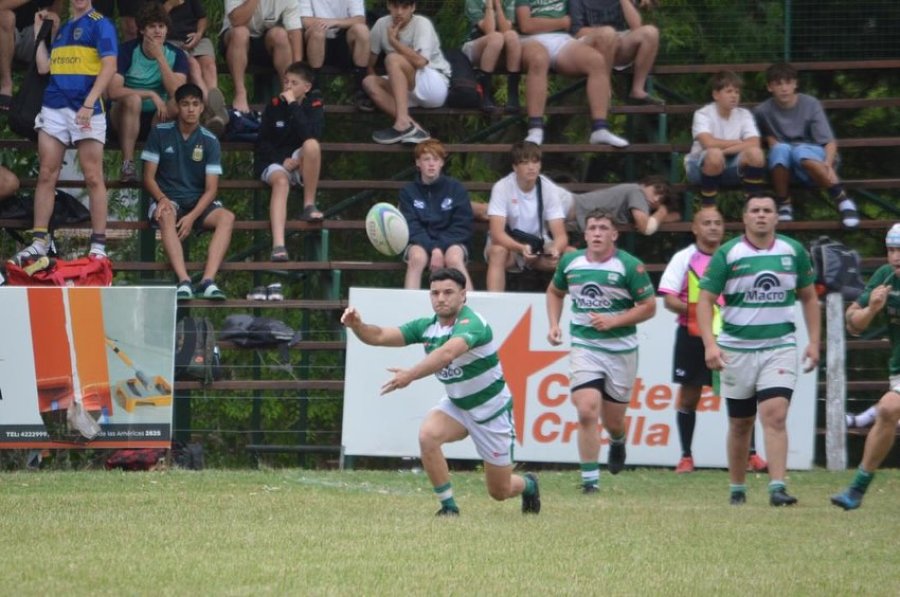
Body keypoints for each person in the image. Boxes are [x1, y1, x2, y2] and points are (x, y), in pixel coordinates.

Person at [341, 267, 542, 516]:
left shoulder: (473, 323)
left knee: (499, 491)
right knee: (427, 436)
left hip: (491, 411)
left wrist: (410, 375)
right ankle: (448, 507)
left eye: (448, 292)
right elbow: (381, 335)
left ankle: (529, 485)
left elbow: (447, 353)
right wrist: (358, 326)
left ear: (463, 295)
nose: (441, 298)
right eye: (435, 293)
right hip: (457, 405)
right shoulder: (427, 327)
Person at [697, 194, 821, 506]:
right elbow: (704, 300)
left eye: (767, 211)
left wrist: (815, 341)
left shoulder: (793, 251)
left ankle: (777, 486)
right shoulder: (728, 253)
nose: (761, 216)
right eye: (755, 211)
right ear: (745, 218)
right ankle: (737, 487)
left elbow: (808, 297)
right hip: (736, 349)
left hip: (779, 345)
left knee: (775, 415)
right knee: (741, 423)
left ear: (777, 217)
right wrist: (710, 345)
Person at [546, 209, 656, 492]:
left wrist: (614, 321)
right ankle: (589, 481)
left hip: (621, 350)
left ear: (614, 234)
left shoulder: (630, 266)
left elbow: (649, 307)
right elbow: (555, 292)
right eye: (592, 228)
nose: (597, 233)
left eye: (603, 228)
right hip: (585, 346)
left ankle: (617, 440)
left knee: (613, 420)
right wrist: (553, 324)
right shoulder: (571, 261)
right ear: (584, 234)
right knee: (586, 410)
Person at [657, 206, 768, 474]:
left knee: (741, 394)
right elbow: (669, 299)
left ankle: (752, 455)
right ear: (695, 228)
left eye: (718, 222)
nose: (713, 227)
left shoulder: (735, 255)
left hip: (732, 336)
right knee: (689, 396)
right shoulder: (684, 258)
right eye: (706, 222)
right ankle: (686, 457)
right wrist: (700, 312)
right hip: (692, 336)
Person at [9, 0, 117, 266]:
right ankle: (39, 241)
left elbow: (110, 66)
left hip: (86, 107)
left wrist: (90, 102)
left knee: (93, 176)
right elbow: (45, 67)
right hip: (55, 106)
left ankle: (99, 245)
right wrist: (38, 34)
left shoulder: (100, 24)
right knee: (47, 173)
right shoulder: (66, 27)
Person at [141, 83, 233, 300]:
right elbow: (148, 178)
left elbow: (211, 190)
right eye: (185, 104)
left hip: (198, 203)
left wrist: (192, 217)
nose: (190, 109)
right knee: (165, 213)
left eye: (195, 104)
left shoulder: (210, 140)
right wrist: (162, 199)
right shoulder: (159, 133)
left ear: (202, 108)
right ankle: (184, 281)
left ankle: (208, 281)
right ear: (178, 108)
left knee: (227, 218)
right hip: (168, 199)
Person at [830, 224, 900, 510]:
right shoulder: (885, 277)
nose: (896, 257)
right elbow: (853, 323)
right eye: (892, 250)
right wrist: (872, 309)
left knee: (887, 408)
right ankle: (857, 490)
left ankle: (857, 489)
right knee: (888, 411)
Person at [753, 62, 860, 228]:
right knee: (780, 149)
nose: (784, 88)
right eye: (778, 83)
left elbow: (829, 142)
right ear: (769, 87)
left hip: (814, 159)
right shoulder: (762, 111)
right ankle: (784, 203)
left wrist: (828, 164)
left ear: (795, 84)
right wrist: (769, 139)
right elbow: (758, 138)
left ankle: (842, 199)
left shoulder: (811, 104)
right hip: (788, 167)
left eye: (788, 82)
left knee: (800, 151)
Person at [515, 0, 628, 147]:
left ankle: (600, 128)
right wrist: (561, 22)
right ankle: (535, 128)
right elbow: (526, 25)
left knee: (596, 61)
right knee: (539, 59)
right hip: (531, 39)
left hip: (562, 40)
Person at [108, 3, 190, 182]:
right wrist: (150, 94)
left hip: (157, 118)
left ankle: (158, 165)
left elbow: (178, 92)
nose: (157, 31)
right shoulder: (127, 51)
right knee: (133, 100)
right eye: (152, 26)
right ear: (142, 30)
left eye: (161, 26)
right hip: (123, 117)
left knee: (178, 103)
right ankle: (128, 165)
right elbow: (113, 91)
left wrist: (160, 57)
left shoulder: (176, 54)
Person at [254, 60, 323, 262]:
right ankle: (279, 246)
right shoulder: (274, 106)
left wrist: (293, 105)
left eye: (293, 83)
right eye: (286, 82)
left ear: (306, 87)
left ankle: (309, 204)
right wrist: (281, 160)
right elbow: (262, 143)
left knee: (312, 145)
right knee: (281, 182)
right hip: (274, 161)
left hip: (301, 160)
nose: (288, 87)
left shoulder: (314, 105)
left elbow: (312, 135)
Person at [363, 0, 450, 145]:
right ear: (388, 6)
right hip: (404, 90)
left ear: (413, 7)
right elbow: (369, 62)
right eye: (395, 6)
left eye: (404, 7)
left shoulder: (422, 23)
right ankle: (413, 128)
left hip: (432, 83)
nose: (399, 12)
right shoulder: (381, 24)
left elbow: (421, 62)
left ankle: (402, 124)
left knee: (393, 59)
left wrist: (394, 41)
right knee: (369, 82)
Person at [485, 141, 568, 292]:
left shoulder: (549, 189)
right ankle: (494, 306)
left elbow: (561, 235)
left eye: (535, 162)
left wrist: (555, 249)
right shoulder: (502, 187)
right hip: (510, 246)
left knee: (571, 255)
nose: (531, 167)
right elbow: (497, 234)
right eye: (525, 162)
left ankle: (569, 307)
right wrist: (520, 248)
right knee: (497, 252)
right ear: (515, 167)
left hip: (538, 244)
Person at [398, 139, 474, 290]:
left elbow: (461, 226)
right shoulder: (408, 192)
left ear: (442, 163)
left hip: (452, 242)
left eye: (436, 159)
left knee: (453, 258)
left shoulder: (456, 188)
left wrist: (439, 247)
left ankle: (471, 308)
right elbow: (411, 227)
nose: (431, 164)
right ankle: (409, 309)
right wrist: (434, 248)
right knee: (417, 258)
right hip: (419, 242)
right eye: (426, 159)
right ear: (418, 163)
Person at [685, 71, 765, 206]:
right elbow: (708, 143)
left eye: (737, 92)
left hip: (731, 165)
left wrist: (724, 152)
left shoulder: (744, 114)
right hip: (700, 168)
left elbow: (754, 143)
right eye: (729, 91)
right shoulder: (702, 114)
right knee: (714, 155)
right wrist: (737, 143)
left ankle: (753, 204)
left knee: (756, 154)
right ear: (716, 94)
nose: (734, 96)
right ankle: (708, 207)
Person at [570, 0, 662, 105]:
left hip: (619, 42)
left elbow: (636, 26)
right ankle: (604, 90)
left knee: (651, 32)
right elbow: (577, 32)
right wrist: (607, 35)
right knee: (608, 35)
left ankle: (637, 89)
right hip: (592, 45)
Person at [220, 0, 303, 114]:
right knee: (240, 32)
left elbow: (294, 31)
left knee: (281, 34)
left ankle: (287, 93)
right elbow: (236, 20)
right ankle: (240, 93)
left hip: (266, 42)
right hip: (234, 41)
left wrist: (299, 73)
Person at [160, 0, 229, 136]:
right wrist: (169, 5)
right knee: (193, 66)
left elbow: (202, 18)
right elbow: (154, 22)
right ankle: (213, 111)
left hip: (196, 39)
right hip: (170, 40)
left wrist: (199, 34)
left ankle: (213, 108)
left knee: (208, 64)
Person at [299, 0, 369, 99]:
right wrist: (325, 23)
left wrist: (335, 22)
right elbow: (306, 21)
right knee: (318, 31)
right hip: (315, 44)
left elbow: (360, 19)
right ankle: (313, 88)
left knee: (362, 30)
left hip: (343, 42)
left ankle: (361, 87)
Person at [0, 0, 63, 110]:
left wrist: (52, 14)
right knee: (6, 16)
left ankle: (41, 85)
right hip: (5, 35)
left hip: (30, 35)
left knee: (52, 19)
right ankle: (6, 83)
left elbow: (55, 8)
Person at [564, 176, 678, 236]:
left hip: (566, 213)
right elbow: (646, 228)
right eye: (656, 191)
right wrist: (662, 210)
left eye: (661, 200)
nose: (656, 199)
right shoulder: (637, 191)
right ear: (645, 184)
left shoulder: (638, 199)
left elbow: (676, 217)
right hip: (566, 205)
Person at [461, 0, 521, 113]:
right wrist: (489, 4)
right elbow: (489, 30)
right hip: (475, 46)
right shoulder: (472, 2)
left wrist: (498, 5)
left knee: (512, 35)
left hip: (500, 50)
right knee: (496, 38)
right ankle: (485, 94)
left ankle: (513, 94)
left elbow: (506, 29)